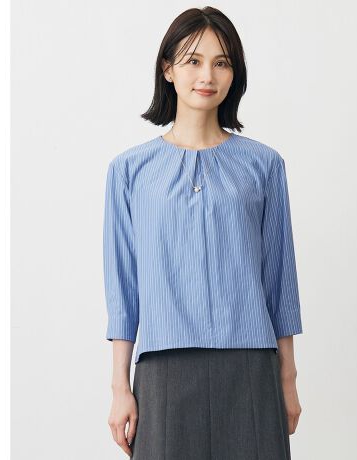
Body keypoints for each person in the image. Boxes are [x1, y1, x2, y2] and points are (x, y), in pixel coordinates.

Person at [103, 6, 304, 460]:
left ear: (235, 73)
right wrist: (120, 387)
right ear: (168, 69)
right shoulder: (129, 171)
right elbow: (123, 289)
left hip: (251, 366)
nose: (207, 75)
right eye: (193, 60)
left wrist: (288, 379)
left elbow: (280, 281)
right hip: (163, 369)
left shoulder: (264, 165)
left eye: (222, 62)